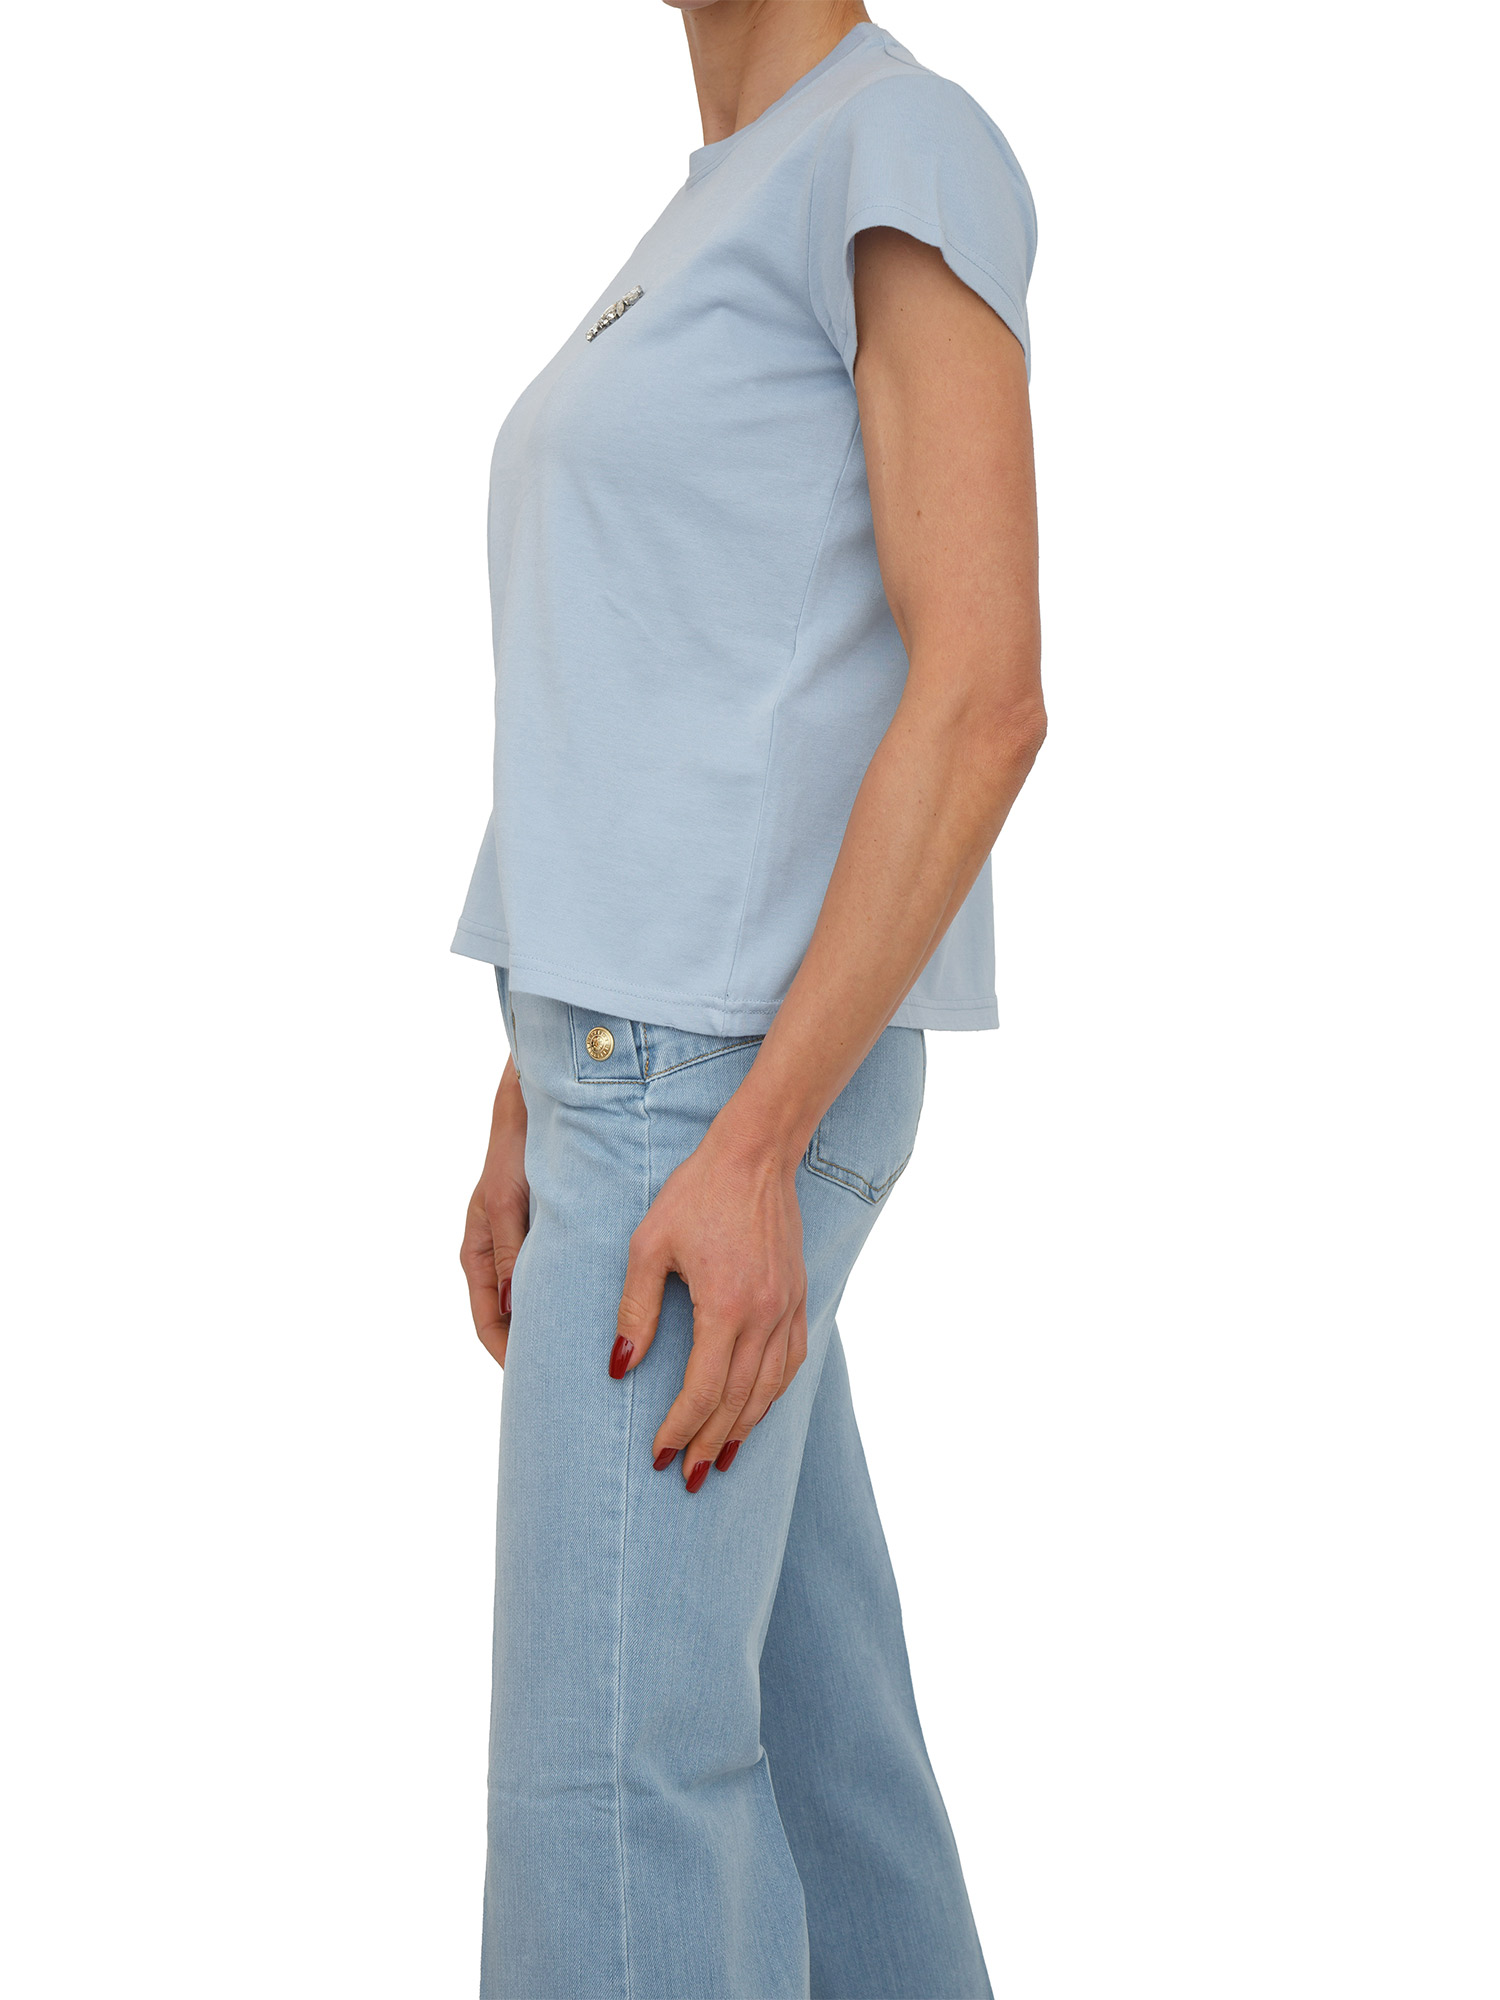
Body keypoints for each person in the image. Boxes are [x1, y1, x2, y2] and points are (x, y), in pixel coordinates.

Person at [455, 4, 1043, 1994]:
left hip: (708, 1094)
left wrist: (757, 1138)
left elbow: (983, 693)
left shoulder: (902, 148)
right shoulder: (714, 206)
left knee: (611, 1800)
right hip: (635, 1077)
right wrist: (524, 1092)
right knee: (822, 1766)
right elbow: (663, 684)